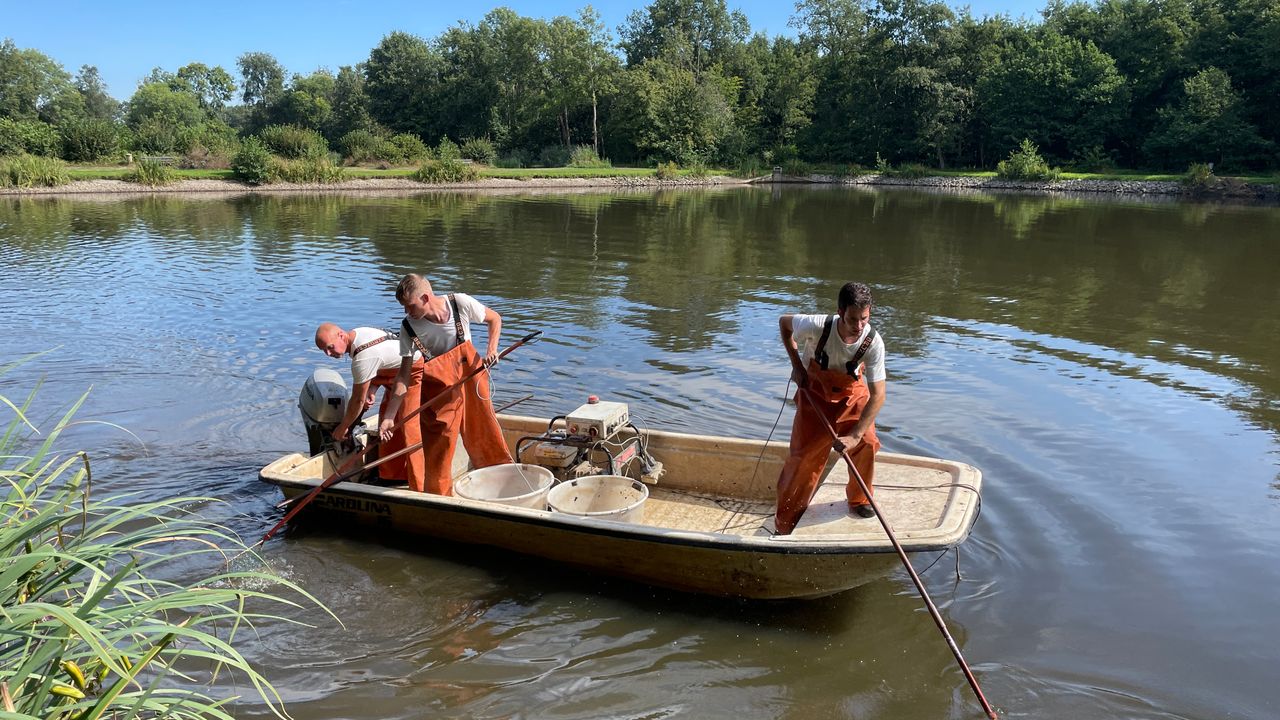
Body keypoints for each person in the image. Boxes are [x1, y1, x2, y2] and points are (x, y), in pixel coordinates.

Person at [378, 274, 513, 495]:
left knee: (485, 434)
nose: (406, 312)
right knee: (439, 450)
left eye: (409, 306)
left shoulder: (460, 303)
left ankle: (502, 487)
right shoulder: (409, 328)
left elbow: (494, 318)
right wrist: (389, 418)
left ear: (425, 297)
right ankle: (438, 498)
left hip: (472, 381)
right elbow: (403, 378)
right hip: (440, 391)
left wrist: (492, 350)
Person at [774, 281, 886, 535]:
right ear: (840, 311)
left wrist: (855, 435)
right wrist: (797, 366)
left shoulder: (873, 342)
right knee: (804, 457)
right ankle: (789, 516)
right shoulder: (817, 325)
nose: (858, 326)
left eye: (864, 319)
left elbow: (878, 395)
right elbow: (784, 323)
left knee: (866, 442)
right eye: (852, 319)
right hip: (815, 393)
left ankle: (860, 499)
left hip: (852, 394)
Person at [314, 323, 425, 488]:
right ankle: (392, 477)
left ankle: (419, 484)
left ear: (341, 336)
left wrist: (344, 427)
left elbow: (357, 400)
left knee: (409, 428)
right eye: (324, 350)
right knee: (385, 426)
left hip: (413, 374)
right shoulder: (359, 334)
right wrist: (373, 386)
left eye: (330, 347)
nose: (328, 354)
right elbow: (383, 359)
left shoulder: (362, 357)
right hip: (395, 374)